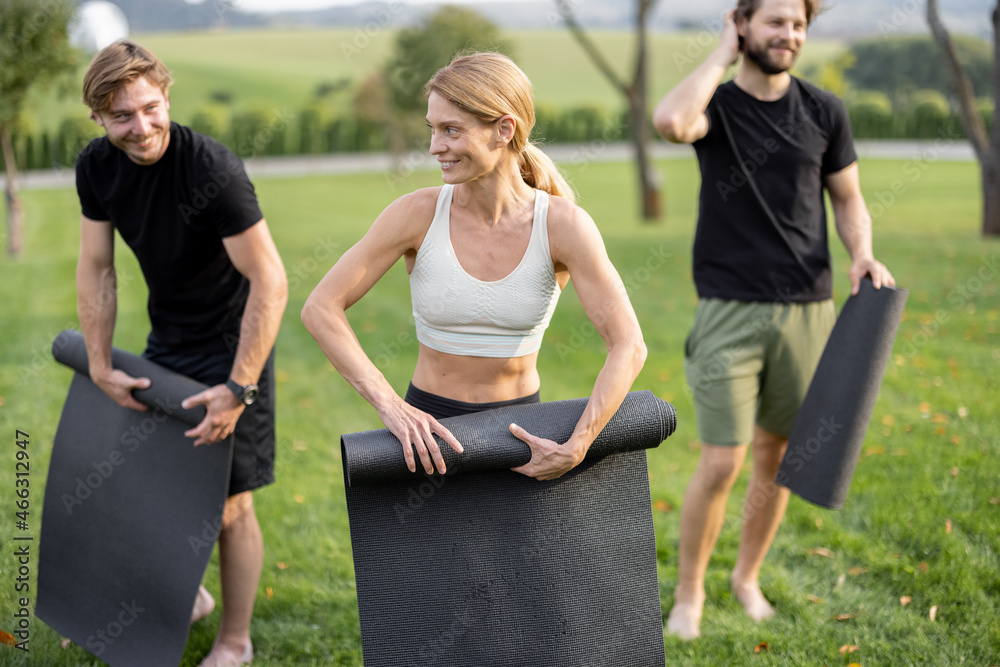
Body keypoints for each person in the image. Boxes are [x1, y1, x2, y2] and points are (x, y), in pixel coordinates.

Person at [652, 0, 895, 640]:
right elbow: (673, 121)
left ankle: (746, 578)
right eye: (775, 20)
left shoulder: (824, 111)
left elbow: (849, 200)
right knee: (722, 461)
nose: (789, 34)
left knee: (778, 456)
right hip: (728, 311)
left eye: (798, 24)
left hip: (809, 310)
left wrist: (862, 253)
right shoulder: (719, 108)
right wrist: (719, 56)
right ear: (742, 24)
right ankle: (689, 596)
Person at [301, 52, 646, 481]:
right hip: (425, 436)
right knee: (426, 553)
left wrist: (579, 443)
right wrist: (391, 407)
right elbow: (320, 308)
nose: (434, 146)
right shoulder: (416, 214)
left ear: (504, 129)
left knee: (514, 553)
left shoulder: (563, 225)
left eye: (451, 130)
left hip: (522, 437)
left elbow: (628, 344)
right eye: (432, 129)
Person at [75, 40, 287, 665]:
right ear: (99, 119)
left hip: (235, 345)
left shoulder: (210, 169)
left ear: (167, 97)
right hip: (166, 341)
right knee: (151, 485)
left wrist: (240, 388)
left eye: (149, 107)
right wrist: (98, 359)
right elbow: (96, 267)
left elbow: (269, 281)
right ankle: (189, 598)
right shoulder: (97, 167)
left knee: (228, 506)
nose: (140, 127)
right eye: (121, 116)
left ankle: (236, 641)